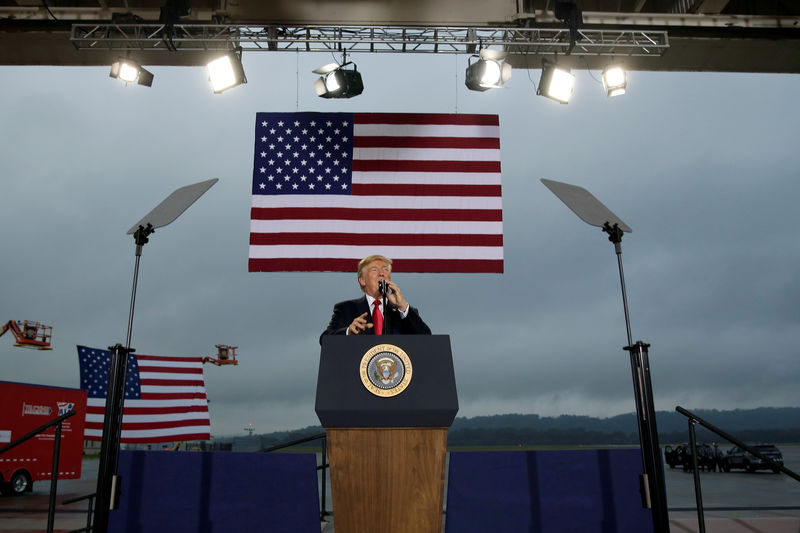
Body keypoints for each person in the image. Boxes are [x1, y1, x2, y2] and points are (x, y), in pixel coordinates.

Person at [320, 254, 431, 343]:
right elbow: (325, 340)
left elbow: (427, 340)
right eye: (374, 270)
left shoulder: (404, 312)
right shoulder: (346, 309)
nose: (381, 273)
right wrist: (349, 332)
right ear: (362, 280)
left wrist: (402, 307)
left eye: (385, 270)